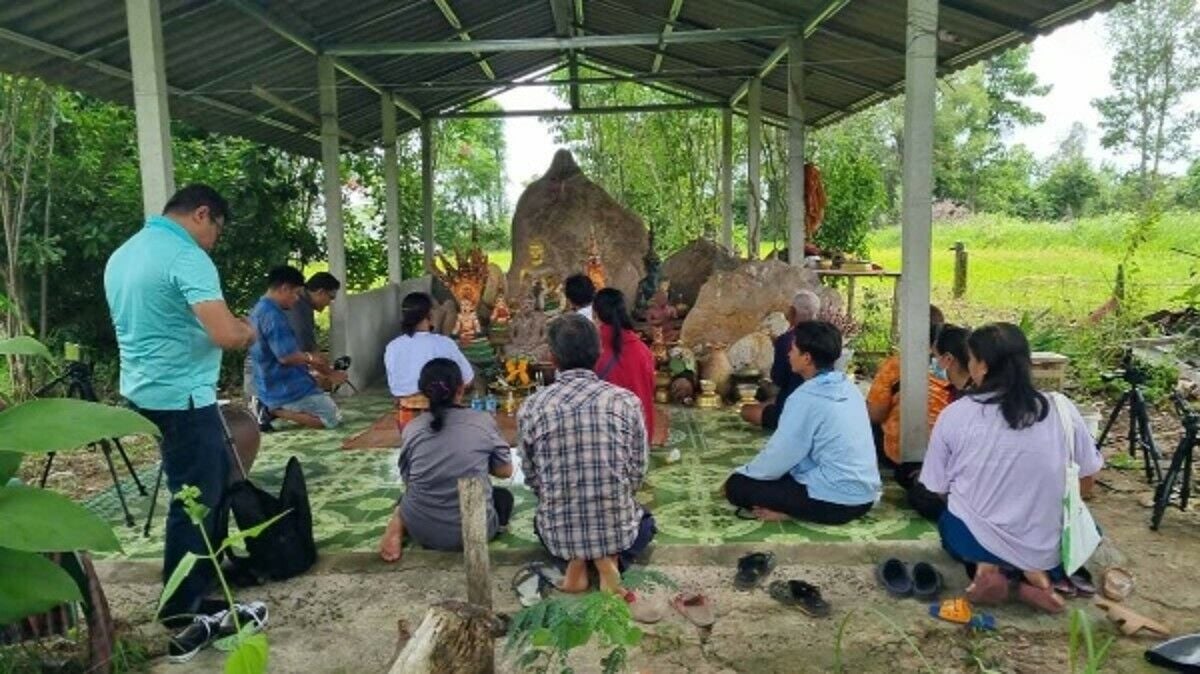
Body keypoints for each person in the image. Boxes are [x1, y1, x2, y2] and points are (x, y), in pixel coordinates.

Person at [104, 185, 258, 635]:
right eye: (217, 231)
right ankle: (183, 607)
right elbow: (226, 334)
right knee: (195, 499)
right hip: (183, 398)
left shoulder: (125, 254)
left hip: (142, 391)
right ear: (202, 215)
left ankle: (197, 582)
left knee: (194, 487)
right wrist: (247, 331)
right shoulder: (186, 256)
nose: (214, 240)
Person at [919, 323, 1103, 614]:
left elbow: (937, 487)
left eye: (970, 359)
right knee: (1084, 529)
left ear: (981, 366)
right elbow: (1087, 482)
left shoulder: (955, 415)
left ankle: (989, 569)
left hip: (975, 539)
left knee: (946, 520)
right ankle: (1037, 576)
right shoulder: (1062, 408)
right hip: (1047, 544)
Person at [518, 314, 654, 594]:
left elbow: (533, 479)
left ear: (552, 358)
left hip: (561, 536)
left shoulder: (532, 407)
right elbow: (637, 473)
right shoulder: (625, 402)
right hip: (617, 528)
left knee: (540, 523)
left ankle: (577, 564)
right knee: (646, 523)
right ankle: (608, 560)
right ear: (599, 353)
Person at [724, 321, 881, 524]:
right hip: (865, 497)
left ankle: (793, 512)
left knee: (737, 486)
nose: (789, 354)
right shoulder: (849, 388)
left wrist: (744, 472)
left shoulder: (806, 397)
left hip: (837, 503)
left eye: (793, 349)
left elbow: (780, 455)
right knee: (784, 475)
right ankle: (794, 506)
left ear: (807, 358)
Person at [379, 358, 514, 562]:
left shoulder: (412, 428)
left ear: (424, 392)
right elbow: (505, 471)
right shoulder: (482, 420)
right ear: (460, 389)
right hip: (474, 533)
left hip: (421, 530)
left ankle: (397, 524)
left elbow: (409, 480)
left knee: (407, 497)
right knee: (503, 497)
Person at [249, 266, 345, 430]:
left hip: (271, 379)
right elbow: (286, 356)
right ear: (284, 288)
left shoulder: (260, 308)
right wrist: (314, 362)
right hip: (284, 383)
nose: (296, 299)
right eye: (295, 293)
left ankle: (271, 406)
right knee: (333, 419)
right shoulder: (274, 315)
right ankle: (273, 409)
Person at [893, 324, 972, 522]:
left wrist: (938, 477)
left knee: (920, 493)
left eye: (935, 357)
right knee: (906, 470)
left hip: (967, 483)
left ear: (948, 359)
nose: (933, 364)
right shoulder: (958, 391)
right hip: (959, 472)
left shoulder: (967, 403)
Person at [866, 305, 950, 467]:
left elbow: (875, 415)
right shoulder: (955, 365)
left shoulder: (895, 365)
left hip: (901, 455)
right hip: (946, 452)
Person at [741, 289, 821, 430]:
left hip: (793, 410)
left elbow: (778, 379)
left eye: (792, 352)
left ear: (791, 312)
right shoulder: (825, 337)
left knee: (746, 410)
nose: (790, 354)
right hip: (816, 405)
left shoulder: (788, 340)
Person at [384, 292, 474, 414]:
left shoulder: (392, 346)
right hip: (442, 410)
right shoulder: (444, 343)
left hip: (406, 413)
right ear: (430, 315)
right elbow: (467, 379)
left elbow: (394, 384)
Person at [593, 288, 656, 443]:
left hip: (611, 439)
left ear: (596, 315)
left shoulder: (598, 352)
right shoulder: (643, 349)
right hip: (642, 432)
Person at [286, 271, 340, 354]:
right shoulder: (297, 305)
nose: (329, 303)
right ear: (321, 292)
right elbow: (303, 346)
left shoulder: (305, 303)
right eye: (331, 298)